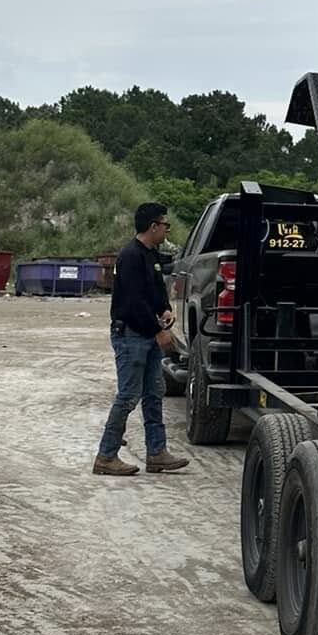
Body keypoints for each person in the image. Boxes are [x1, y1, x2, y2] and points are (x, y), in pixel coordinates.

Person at [93, 202, 192, 476]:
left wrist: (166, 309)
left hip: (146, 334)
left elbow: (156, 291)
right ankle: (106, 455)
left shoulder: (151, 255)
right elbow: (134, 303)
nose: (166, 229)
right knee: (128, 396)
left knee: (153, 394)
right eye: (165, 224)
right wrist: (158, 330)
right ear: (153, 226)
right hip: (131, 336)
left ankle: (157, 453)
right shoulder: (131, 256)